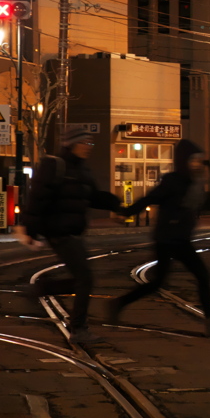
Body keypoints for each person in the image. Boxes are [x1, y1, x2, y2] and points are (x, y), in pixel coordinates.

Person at [107, 139, 210, 337]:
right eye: (193, 160)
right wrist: (127, 212)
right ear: (183, 161)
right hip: (169, 238)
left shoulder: (195, 182)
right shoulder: (173, 181)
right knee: (202, 276)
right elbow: (150, 198)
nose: (197, 164)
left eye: (199, 160)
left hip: (179, 238)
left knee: (158, 282)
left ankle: (118, 303)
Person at [20, 126, 123, 344]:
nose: (89, 148)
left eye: (90, 144)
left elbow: (92, 196)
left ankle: (41, 289)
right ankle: (78, 329)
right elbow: (37, 198)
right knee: (85, 279)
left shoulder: (82, 170)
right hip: (58, 231)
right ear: (72, 144)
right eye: (85, 143)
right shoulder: (55, 165)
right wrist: (30, 229)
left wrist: (116, 204)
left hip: (74, 232)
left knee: (82, 279)